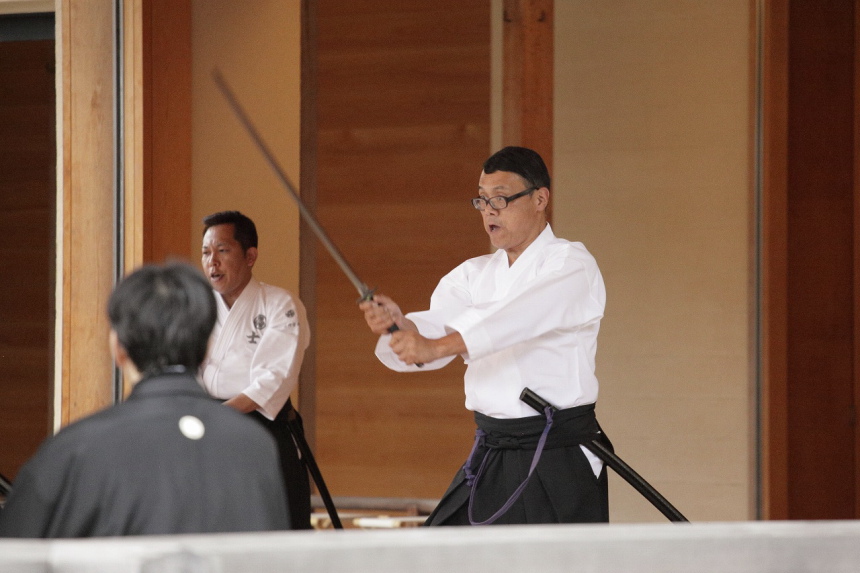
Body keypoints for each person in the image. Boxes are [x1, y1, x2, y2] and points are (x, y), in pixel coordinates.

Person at [360, 146, 611, 525]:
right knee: (441, 549)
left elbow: (518, 319)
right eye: (482, 200)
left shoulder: (571, 263)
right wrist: (401, 326)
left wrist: (434, 346)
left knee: (552, 557)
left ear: (540, 199)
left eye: (501, 199)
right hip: (493, 450)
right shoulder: (472, 274)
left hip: (556, 453)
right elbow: (437, 329)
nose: (490, 211)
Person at [0, 263, 290, 537]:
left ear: (118, 347)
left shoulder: (75, 448)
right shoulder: (255, 446)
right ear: (206, 349)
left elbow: (14, 551)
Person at [200, 210, 312, 529]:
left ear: (250, 256)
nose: (212, 262)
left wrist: (216, 416)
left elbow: (274, 378)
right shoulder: (197, 308)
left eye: (222, 250)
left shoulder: (279, 304)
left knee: (271, 526)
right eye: (206, 253)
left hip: (260, 426)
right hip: (205, 427)